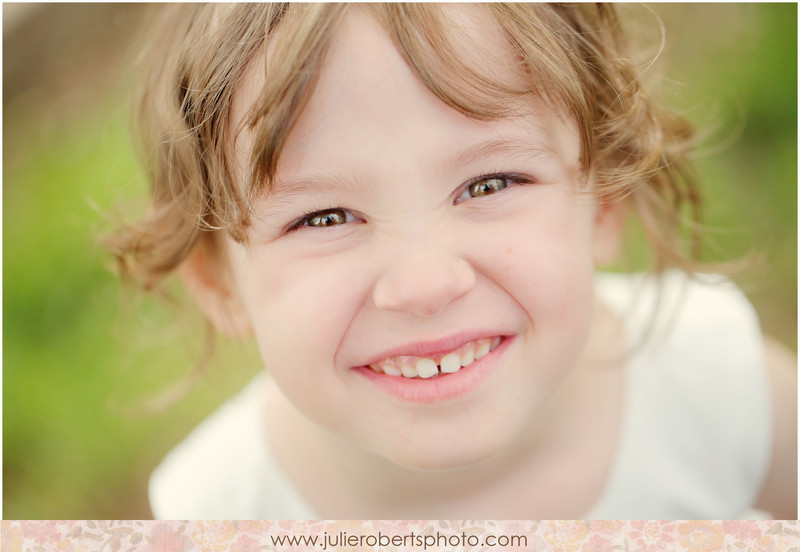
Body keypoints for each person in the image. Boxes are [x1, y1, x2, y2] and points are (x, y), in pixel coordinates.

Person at [106, 4, 796, 519]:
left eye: (490, 184)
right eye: (323, 218)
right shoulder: (218, 512)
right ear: (218, 283)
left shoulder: (716, 383)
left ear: (606, 199)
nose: (424, 285)